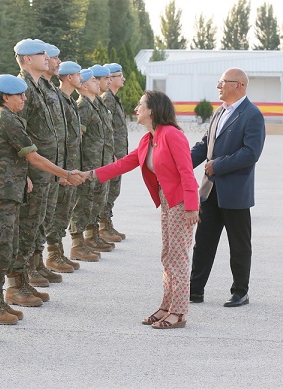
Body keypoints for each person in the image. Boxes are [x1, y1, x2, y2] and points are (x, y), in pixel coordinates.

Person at [84, 90, 199, 329]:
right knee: (168, 255)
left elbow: (187, 171)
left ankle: (179, 313)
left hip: (179, 203)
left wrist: (191, 207)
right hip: (167, 201)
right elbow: (125, 163)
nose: (136, 108)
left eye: (141, 105)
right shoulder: (149, 138)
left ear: (153, 110)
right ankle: (167, 306)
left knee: (178, 257)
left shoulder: (172, 135)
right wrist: (90, 175)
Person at [0, 74, 84, 314]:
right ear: (6, 97)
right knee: (3, 246)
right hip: (4, 192)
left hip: (13, 189)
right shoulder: (6, 119)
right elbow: (33, 157)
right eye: (20, 95)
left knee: (13, 242)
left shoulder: (8, 116)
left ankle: (12, 290)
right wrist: (66, 173)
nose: (24, 99)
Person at [190, 67, 266, 307]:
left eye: (223, 82)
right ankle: (194, 290)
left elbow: (250, 153)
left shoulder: (252, 114)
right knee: (203, 242)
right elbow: (205, 145)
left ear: (239, 85)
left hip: (235, 191)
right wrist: (181, 163)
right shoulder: (219, 112)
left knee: (239, 244)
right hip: (209, 190)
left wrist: (218, 165)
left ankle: (240, 291)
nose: (218, 86)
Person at [13, 39, 59, 297]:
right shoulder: (22, 89)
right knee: (27, 226)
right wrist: (26, 173)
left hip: (46, 170)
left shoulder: (38, 86)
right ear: (27, 59)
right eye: (41, 54)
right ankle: (19, 282)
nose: (47, 57)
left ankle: (32, 269)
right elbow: (18, 133)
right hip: (35, 170)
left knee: (39, 223)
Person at [41, 49, 82, 274]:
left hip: (66, 166)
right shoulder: (56, 97)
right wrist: (62, 171)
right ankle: (51, 255)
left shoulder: (66, 100)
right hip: (56, 167)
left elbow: (70, 138)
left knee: (63, 210)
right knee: (52, 214)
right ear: (68, 77)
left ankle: (56, 253)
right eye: (77, 75)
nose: (82, 79)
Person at [69, 69, 105, 262]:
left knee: (91, 201)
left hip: (96, 164)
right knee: (82, 203)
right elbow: (78, 138)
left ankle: (87, 238)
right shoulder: (83, 106)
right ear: (83, 86)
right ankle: (77, 244)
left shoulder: (93, 104)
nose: (98, 83)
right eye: (93, 80)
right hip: (86, 164)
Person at [86, 64, 116, 253]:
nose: (108, 82)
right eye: (103, 79)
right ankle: (82, 241)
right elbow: (79, 138)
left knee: (99, 199)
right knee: (86, 202)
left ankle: (94, 233)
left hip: (102, 159)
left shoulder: (99, 103)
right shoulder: (85, 105)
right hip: (90, 162)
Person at [99, 62, 128, 242]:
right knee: (108, 190)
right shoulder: (107, 98)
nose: (123, 78)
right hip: (113, 153)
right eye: (119, 75)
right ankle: (103, 225)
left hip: (118, 152)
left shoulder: (114, 98)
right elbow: (106, 129)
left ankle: (106, 222)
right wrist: (112, 153)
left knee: (114, 189)